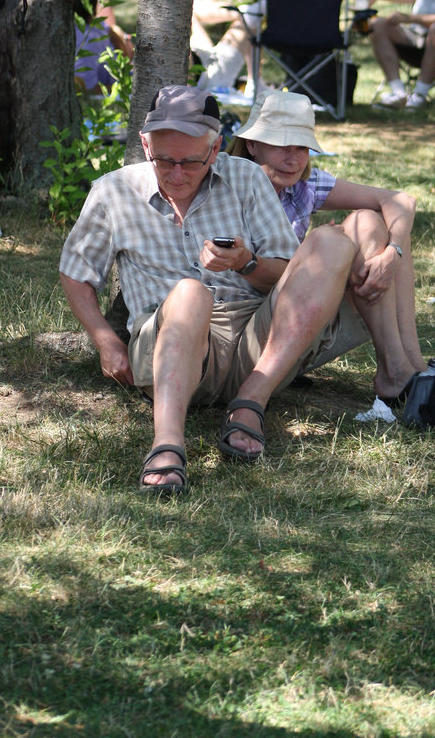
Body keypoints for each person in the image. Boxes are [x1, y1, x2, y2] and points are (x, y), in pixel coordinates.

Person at [60, 85, 381, 494]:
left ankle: (251, 403)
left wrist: (245, 263)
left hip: (257, 343)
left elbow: (286, 273)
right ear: (145, 145)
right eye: (164, 161)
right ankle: (167, 446)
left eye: (191, 161)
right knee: (191, 292)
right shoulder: (113, 191)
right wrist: (106, 341)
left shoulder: (245, 178)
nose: (177, 174)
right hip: (169, 345)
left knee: (332, 242)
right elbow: (75, 272)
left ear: (215, 150)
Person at [229, 89, 426, 402]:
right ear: (252, 144)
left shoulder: (303, 185)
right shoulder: (228, 185)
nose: (293, 159)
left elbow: (400, 200)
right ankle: (400, 375)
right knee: (345, 239)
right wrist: (319, 253)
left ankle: (411, 367)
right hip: (253, 335)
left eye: (302, 147)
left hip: (299, 317)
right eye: (281, 146)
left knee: (372, 222)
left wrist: (393, 253)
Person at [190, 0, 258, 99]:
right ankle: (256, 83)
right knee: (250, 22)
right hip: (213, 73)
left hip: (201, 53)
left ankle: (240, 12)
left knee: (187, 4)